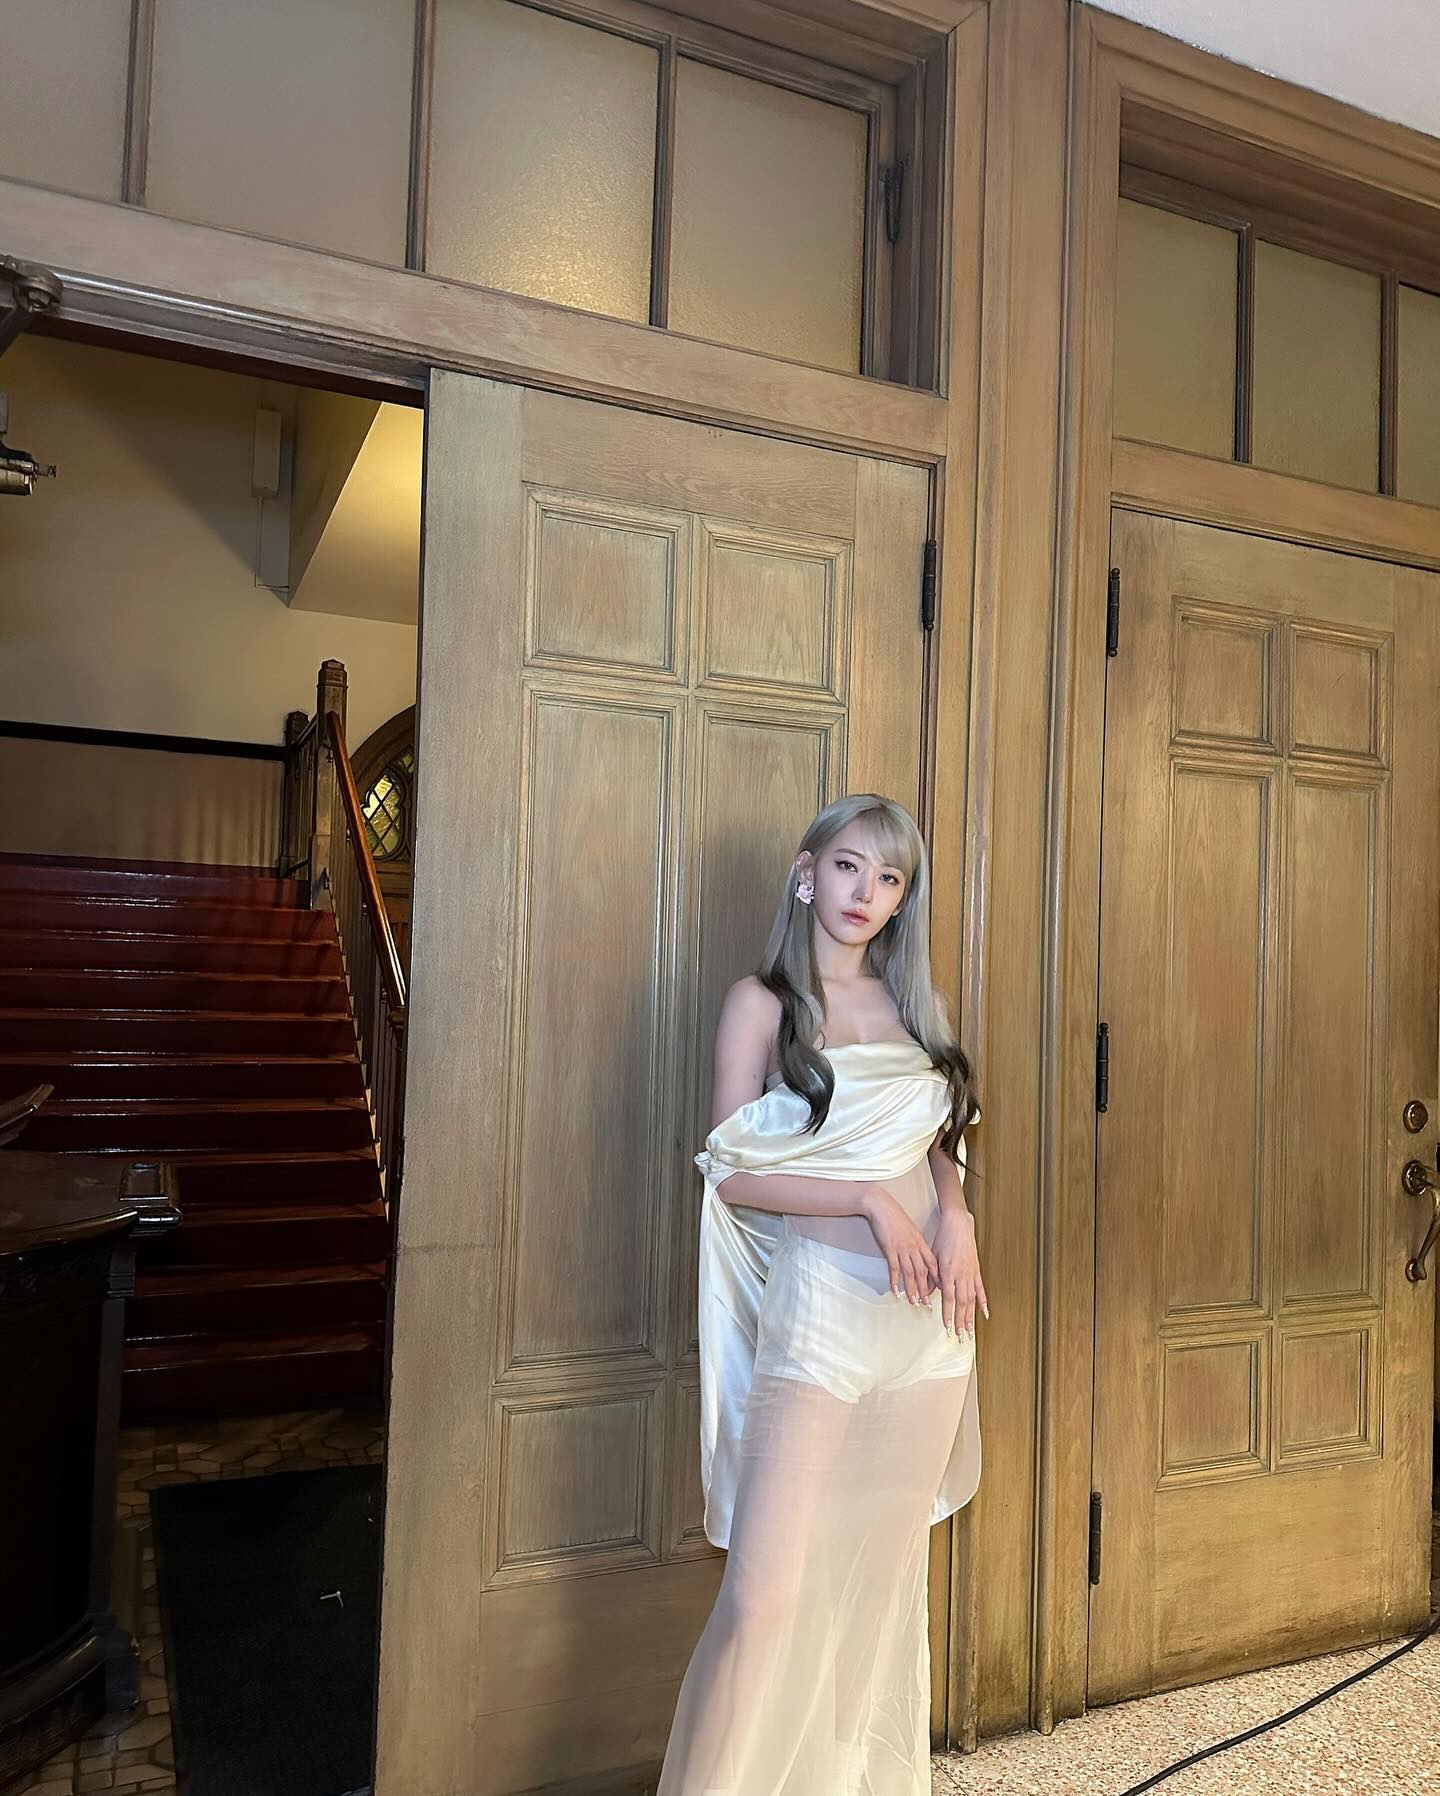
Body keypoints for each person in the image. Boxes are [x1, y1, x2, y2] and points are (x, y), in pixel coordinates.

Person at [656, 792, 985, 1796]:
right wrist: (868, 1203)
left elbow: (935, 1141)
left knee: (876, 1586)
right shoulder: (761, 1004)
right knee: (763, 1599)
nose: (865, 892)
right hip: (823, 1316)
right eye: (848, 866)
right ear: (807, 874)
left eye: (889, 877)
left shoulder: (916, 1008)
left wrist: (956, 1212)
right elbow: (729, 1172)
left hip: (928, 1329)